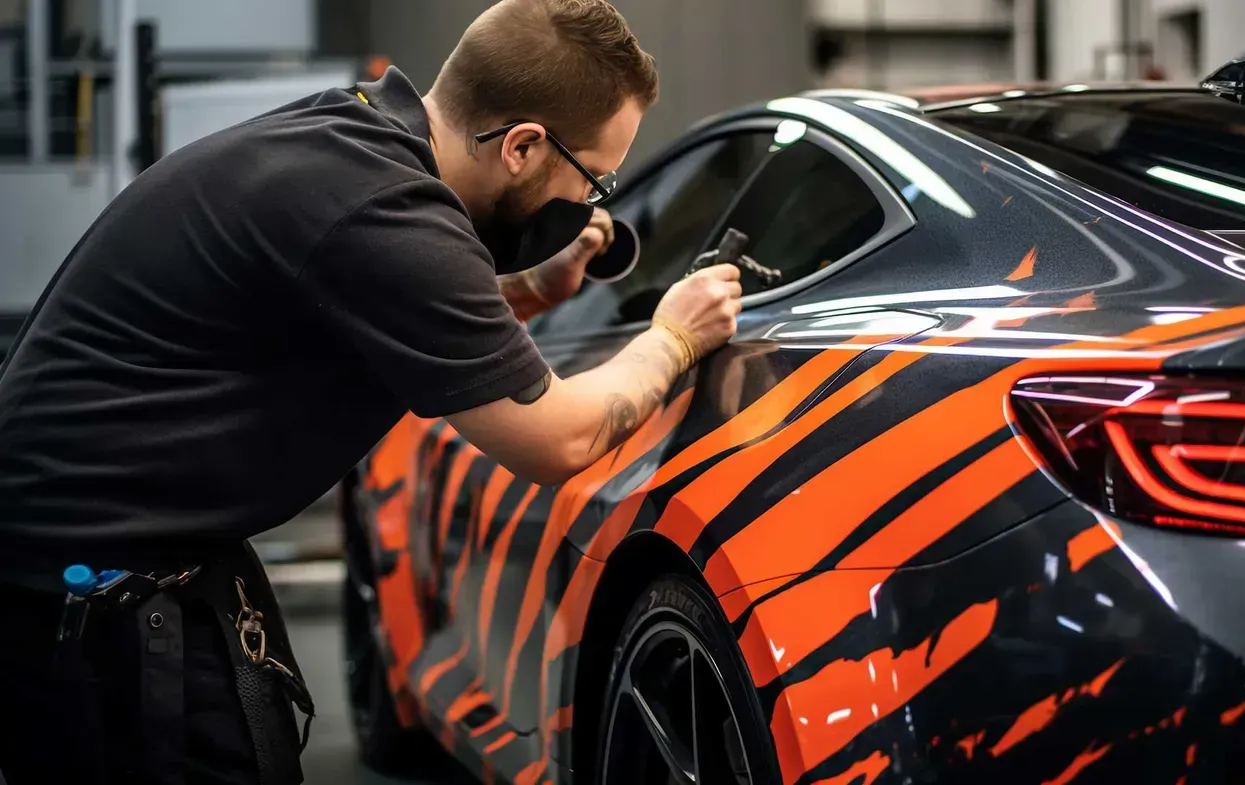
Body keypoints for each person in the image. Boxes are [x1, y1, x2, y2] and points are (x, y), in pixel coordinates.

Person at [0, 0, 742, 782]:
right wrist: (675, 337)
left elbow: (367, 321)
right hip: (76, 600)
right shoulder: (387, 209)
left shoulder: (355, 134)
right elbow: (558, 438)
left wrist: (526, 292)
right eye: (596, 178)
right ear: (523, 146)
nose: (593, 205)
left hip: (91, 559)